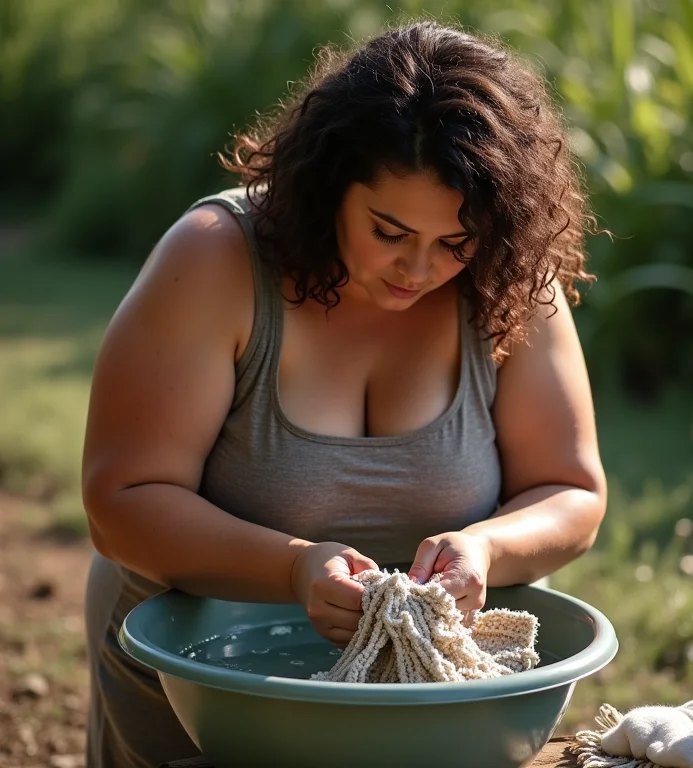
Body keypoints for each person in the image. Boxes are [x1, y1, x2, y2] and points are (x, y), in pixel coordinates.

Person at [81, 19, 607, 768]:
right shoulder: (214, 260)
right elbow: (121, 500)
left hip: (438, 702)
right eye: (388, 229)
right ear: (328, 186)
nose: (418, 269)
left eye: (454, 243)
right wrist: (294, 568)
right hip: (203, 682)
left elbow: (572, 491)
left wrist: (486, 545)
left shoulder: (505, 283)